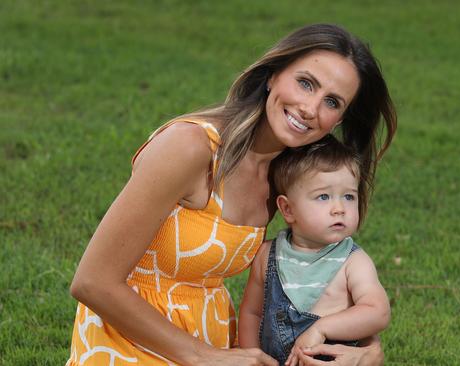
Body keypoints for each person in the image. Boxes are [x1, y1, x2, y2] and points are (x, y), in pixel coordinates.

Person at [67, 23, 396, 366]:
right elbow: (92, 282)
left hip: (213, 339)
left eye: (331, 102)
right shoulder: (190, 147)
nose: (310, 108)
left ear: (340, 119)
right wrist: (202, 356)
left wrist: (368, 351)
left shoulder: (291, 171)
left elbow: (323, 268)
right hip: (131, 341)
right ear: (273, 75)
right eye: (305, 83)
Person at [238, 135, 391, 366]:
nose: (339, 208)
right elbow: (252, 313)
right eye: (323, 196)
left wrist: (322, 328)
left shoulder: (353, 262)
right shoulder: (268, 255)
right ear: (288, 209)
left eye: (349, 196)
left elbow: (377, 312)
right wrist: (251, 357)